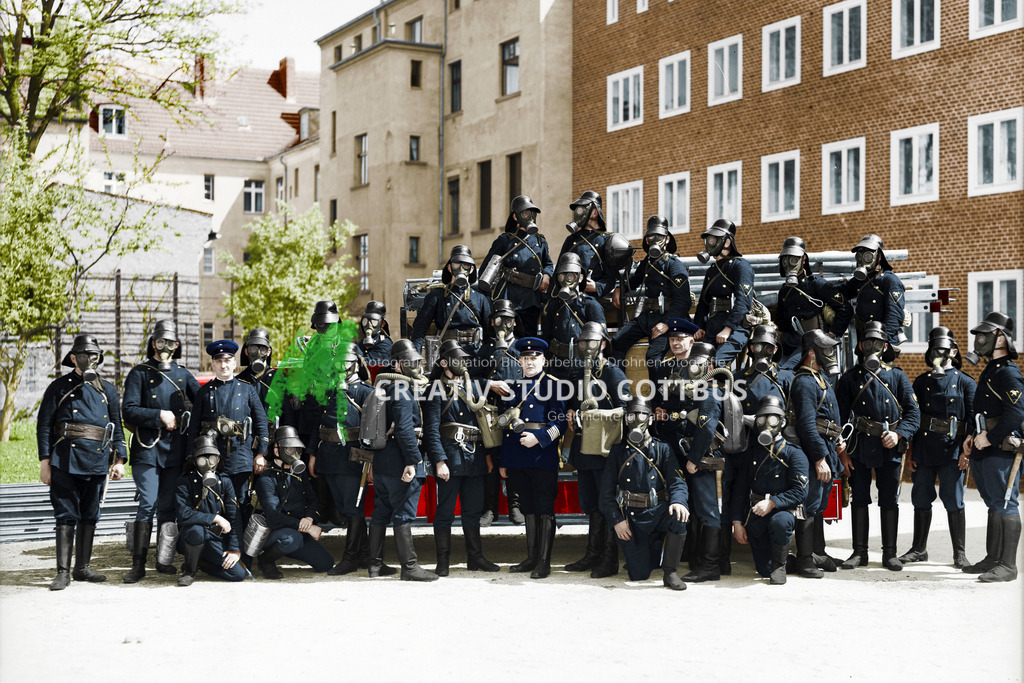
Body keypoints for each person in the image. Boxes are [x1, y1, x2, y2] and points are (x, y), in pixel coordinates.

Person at [37, 334, 128, 591]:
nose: (90, 359)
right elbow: (44, 426)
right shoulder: (58, 387)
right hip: (65, 458)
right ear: (74, 357)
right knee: (66, 515)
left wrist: (119, 459)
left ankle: (82, 568)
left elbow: (116, 428)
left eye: (95, 355)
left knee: (90, 515)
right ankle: (63, 572)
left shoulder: (108, 389)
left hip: (97, 459)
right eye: (85, 354)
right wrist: (45, 461)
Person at [836, 321, 920, 571]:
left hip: (889, 447)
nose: (873, 347)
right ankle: (859, 553)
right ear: (860, 346)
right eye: (868, 342)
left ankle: (889, 554)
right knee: (859, 499)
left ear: (885, 347)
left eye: (878, 343)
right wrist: (842, 453)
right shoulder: (850, 378)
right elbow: (839, 418)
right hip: (858, 447)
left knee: (889, 500)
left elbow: (913, 414)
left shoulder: (897, 376)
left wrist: (899, 435)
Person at [121, 319, 201, 582]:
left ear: (177, 345)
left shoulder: (182, 374)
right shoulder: (139, 373)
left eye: (170, 342)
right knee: (148, 504)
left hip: (175, 450)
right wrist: (159, 415)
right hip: (147, 448)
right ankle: (138, 564)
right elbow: (129, 410)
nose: (165, 346)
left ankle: (163, 560)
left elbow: (202, 402)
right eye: (160, 341)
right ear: (153, 343)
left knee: (168, 506)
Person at [899, 327, 975, 569]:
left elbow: (973, 421)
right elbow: (913, 417)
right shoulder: (921, 382)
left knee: (954, 500)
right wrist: (911, 451)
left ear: (954, 351)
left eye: (943, 350)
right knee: (920, 498)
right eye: (934, 350)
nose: (938, 355)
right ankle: (919, 549)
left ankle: (959, 553)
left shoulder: (965, 382)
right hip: (924, 448)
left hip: (953, 450)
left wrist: (967, 452)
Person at [423, 340, 500, 575]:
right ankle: (443, 560)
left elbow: (482, 425)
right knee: (445, 512)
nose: (463, 363)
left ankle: (475, 558)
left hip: (474, 457)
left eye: (464, 359)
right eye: (458, 359)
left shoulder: (472, 387)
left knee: (473, 511)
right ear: (445, 363)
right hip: (450, 457)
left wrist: (487, 456)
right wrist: (439, 461)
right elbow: (431, 430)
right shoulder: (435, 389)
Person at [184, 339, 270, 551]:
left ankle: (239, 550)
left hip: (240, 457)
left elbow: (262, 424)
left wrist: (261, 454)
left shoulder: (247, 390)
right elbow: (193, 429)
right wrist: (191, 457)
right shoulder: (205, 392)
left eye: (228, 361)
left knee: (239, 505)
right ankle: (215, 550)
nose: (223, 365)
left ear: (234, 364)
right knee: (213, 503)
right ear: (213, 364)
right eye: (219, 361)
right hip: (211, 459)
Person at [494, 337, 567, 579]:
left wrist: (539, 438)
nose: (529, 362)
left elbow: (560, 423)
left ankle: (544, 561)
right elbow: (504, 426)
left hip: (541, 456)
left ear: (543, 360)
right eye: (525, 358)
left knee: (544, 507)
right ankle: (531, 557)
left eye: (534, 358)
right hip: (517, 456)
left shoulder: (553, 385)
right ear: (520, 361)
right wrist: (504, 460)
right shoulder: (512, 387)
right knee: (527, 507)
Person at [599, 397, 690, 590]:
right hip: (632, 517)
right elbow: (605, 494)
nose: (636, 420)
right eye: (631, 415)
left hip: (658, 512)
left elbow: (677, 481)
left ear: (650, 419)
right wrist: (617, 520)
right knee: (639, 575)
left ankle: (670, 572)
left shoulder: (663, 448)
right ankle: (648, 555)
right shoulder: (617, 452)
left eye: (642, 415)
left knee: (679, 516)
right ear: (626, 420)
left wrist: (679, 501)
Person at [367, 339, 437, 581]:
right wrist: (413, 461)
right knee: (403, 514)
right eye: (411, 363)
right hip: (400, 461)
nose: (416, 366)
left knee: (380, 513)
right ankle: (409, 568)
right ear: (397, 365)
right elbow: (405, 430)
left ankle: (375, 566)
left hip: (383, 461)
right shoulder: (402, 391)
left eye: (418, 362)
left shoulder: (384, 387)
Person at [564, 322, 629, 578]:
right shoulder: (576, 372)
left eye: (591, 342)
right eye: (582, 343)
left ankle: (609, 559)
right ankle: (592, 554)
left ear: (603, 344)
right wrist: (570, 410)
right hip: (583, 448)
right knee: (591, 504)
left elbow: (627, 409)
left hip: (606, 450)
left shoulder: (613, 373)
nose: (586, 347)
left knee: (607, 503)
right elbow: (570, 402)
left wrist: (597, 415)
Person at [961, 312, 1023, 583]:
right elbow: (982, 410)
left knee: (1005, 502)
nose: (980, 340)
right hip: (983, 445)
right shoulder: (990, 370)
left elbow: (1016, 414)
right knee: (993, 502)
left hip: (1001, 448)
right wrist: (972, 435)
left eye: (986, 334)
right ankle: (992, 559)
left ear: (1002, 338)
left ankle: (1008, 566)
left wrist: (992, 437)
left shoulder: (1009, 373)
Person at [730, 396, 810, 585]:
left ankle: (780, 566)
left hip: (783, 511)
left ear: (782, 423)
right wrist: (737, 522)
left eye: (773, 420)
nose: (767, 424)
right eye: (761, 419)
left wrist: (773, 503)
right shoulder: (752, 454)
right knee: (762, 569)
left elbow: (800, 491)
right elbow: (740, 489)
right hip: (758, 513)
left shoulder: (794, 453)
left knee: (780, 522)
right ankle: (793, 562)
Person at [312, 343, 377, 576]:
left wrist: (370, 462)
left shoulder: (365, 392)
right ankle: (365, 555)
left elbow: (373, 432)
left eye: (346, 362)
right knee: (344, 507)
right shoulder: (329, 391)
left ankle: (350, 558)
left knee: (354, 508)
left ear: (356, 364)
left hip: (353, 458)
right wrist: (312, 454)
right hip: (328, 457)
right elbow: (318, 425)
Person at [786, 330, 846, 577]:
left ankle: (817, 552)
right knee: (809, 504)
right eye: (826, 348)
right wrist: (820, 458)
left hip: (827, 446)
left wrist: (838, 438)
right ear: (812, 351)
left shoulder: (820, 378)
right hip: (812, 452)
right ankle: (804, 560)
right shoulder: (804, 381)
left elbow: (830, 416)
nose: (831, 353)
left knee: (819, 503)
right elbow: (807, 425)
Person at [471, 299, 526, 526]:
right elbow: (471, 380)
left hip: (517, 413)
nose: (504, 324)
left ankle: (515, 506)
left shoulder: (524, 347)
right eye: (500, 319)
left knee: (515, 460)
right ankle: (490, 509)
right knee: (491, 463)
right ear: (492, 322)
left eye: (509, 319)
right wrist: (490, 385)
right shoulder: (485, 349)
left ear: (515, 322)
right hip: (490, 413)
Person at [253, 426, 334, 579]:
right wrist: (305, 528)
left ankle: (288, 548)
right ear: (277, 451)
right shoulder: (266, 478)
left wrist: (309, 519)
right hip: (273, 533)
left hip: (298, 530)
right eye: (290, 450)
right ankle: (266, 560)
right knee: (292, 539)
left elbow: (312, 500)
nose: (295, 454)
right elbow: (273, 516)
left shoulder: (299, 472)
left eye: (297, 449)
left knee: (325, 564)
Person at [610, 215, 691, 365]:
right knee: (617, 341)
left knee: (653, 357)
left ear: (667, 239)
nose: (655, 239)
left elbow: (683, 300)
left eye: (659, 236)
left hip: (668, 318)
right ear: (647, 240)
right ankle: (619, 386)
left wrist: (667, 323)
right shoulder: (647, 262)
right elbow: (633, 282)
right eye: (651, 236)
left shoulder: (673, 265)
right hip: (647, 317)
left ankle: (659, 389)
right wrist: (618, 289)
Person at [174, 434, 245, 586]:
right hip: (191, 537)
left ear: (218, 460)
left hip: (214, 537)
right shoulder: (185, 481)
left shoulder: (224, 482)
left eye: (212, 459)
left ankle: (200, 563)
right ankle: (189, 571)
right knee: (195, 530)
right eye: (202, 459)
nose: (207, 463)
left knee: (237, 574)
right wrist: (215, 518)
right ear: (195, 461)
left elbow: (234, 517)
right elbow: (183, 514)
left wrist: (234, 549)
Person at [480, 195, 554, 335]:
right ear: (515, 217)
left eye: (533, 213)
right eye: (526, 213)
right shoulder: (505, 240)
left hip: (532, 300)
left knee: (528, 342)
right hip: (509, 299)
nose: (530, 216)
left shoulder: (541, 241)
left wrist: (547, 274)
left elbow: (548, 263)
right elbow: (485, 271)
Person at [774, 237, 851, 370]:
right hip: (789, 345)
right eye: (785, 259)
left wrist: (831, 334)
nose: (789, 263)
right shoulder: (783, 291)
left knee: (785, 371)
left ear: (803, 260)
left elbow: (845, 308)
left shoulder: (816, 284)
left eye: (794, 259)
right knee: (773, 370)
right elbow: (782, 324)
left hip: (812, 344)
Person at [692, 218, 755, 366]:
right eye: (708, 240)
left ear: (727, 242)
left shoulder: (740, 266)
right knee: (696, 365)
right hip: (713, 327)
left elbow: (743, 302)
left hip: (736, 328)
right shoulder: (712, 270)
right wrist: (699, 327)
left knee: (715, 365)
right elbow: (703, 302)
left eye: (713, 240)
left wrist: (728, 329)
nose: (709, 244)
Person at [411, 245, 491, 358]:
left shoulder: (480, 298)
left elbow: (489, 334)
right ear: (449, 267)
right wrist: (414, 357)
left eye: (466, 264)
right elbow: (420, 328)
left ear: (471, 269)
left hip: (474, 353)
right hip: (447, 353)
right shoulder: (437, 296)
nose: (461, 268)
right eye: (457, 263)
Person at [835, 234, 907, 358]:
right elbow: (839, 292)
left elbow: (894, 316)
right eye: (859, 256)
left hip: (883, 343)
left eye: (868, 256)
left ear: (879, 256)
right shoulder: (860, 280)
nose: (862, 260)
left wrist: (882, 343)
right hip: (865, 341)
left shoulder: (890, 280)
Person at [540, 252, 606, 379]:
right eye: (562, 275)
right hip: (558, 364)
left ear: (580, 278)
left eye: (570, 275)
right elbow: (547, 337)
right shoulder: (553, 306)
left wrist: (595, 367)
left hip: (583, 365)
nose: (566, 279)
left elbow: (601, 340)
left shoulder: (590, 305)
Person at [558, 191, 618, 298]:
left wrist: (597, 286)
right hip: (569, 297)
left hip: (593, 300)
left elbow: (610, 277)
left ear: (595, 212)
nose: (578, 212)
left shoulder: (607, 240)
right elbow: (559, 270)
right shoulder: (571, 239)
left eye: (581, 209)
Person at [358, 300, 393, 370]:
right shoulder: (363, 342)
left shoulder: (385, 343)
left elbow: (368, 365)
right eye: (365, 321)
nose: (369, 325)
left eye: (374, 322)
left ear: (382, 324)